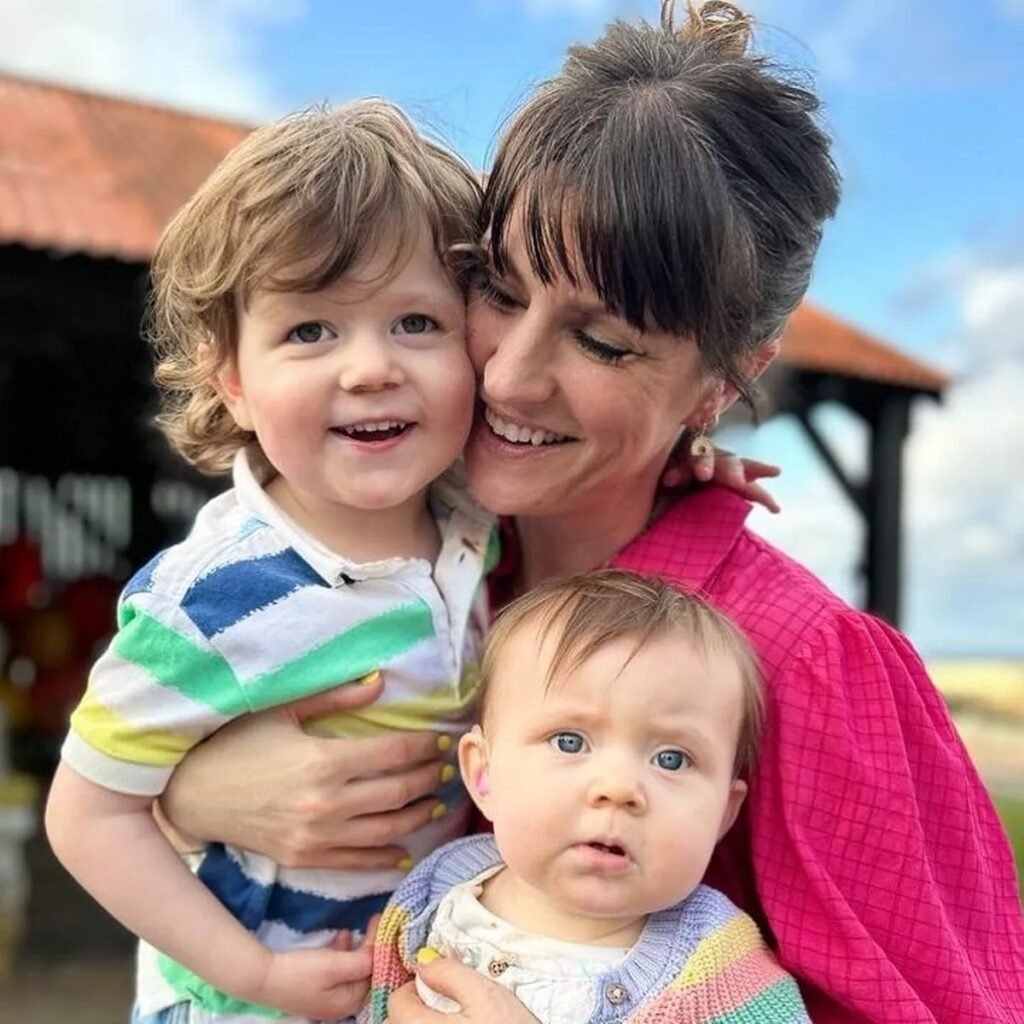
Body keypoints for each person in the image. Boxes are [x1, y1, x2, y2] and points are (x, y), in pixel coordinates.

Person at [158, 3, 1024, 1023]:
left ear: (722, 382)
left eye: (603, 342)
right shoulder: (404, 556)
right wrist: (188, 793)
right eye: (497, 288)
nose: (510, 377)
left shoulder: (800, 663)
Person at [45, 99, 498, 1023]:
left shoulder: (479, 525)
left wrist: (692, 452)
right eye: (310, 331)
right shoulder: (215, 596)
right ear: (235, 384)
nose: (369, 368)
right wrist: (252, 974)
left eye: (417, 321)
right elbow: (86, 814)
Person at [366, 569, 813, 1024]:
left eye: (672, 759)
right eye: (569, 741)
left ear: (723, 813)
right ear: (484, 776)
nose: (617, 789)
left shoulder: (723, 974)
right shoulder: (437, 886)